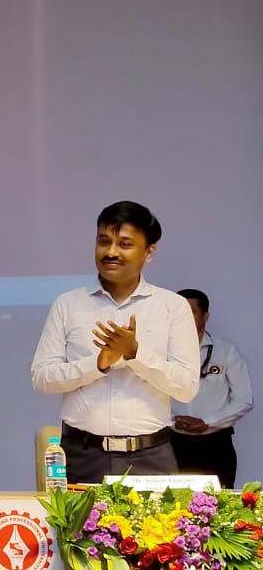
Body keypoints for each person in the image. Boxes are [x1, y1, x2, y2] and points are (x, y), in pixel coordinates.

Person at [31, 201, 199, 483]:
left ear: (149, 252)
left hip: (150, 457)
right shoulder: (68, 304)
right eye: (104, 241)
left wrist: (135, 354)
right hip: (81, 454)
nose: (111, 252)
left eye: (125, 244)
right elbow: (42, 378)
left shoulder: (173, 307)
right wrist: (97, 364)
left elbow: (186, 388)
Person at [170, 288, 252, 488]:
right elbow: (149, 396)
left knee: (219, 502)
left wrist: (208, 422)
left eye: (191, 311)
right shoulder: (162, 353)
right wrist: (171, 420)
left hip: (215, 445)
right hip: (171, 444)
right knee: (170, 503)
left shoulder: (226, 352)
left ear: (205, 316)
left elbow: (244, 400)